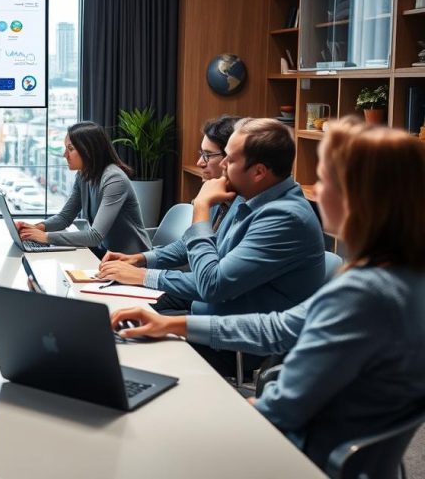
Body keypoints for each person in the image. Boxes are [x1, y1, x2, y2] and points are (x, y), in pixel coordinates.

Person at [111, 118, 425, 471]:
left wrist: (206, 418)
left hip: (296, 458)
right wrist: (175, 325)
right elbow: (280, 327)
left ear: (360, 196)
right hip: (320, 446)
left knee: (145, 435)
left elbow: (278, 412)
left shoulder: (364, 292)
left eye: (325, 180)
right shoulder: (396, 275)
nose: (316, 191)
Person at [99, 118, 324, 375]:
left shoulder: (285, 218)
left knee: (126, 357)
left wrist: (201, 208)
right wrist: (142, 261)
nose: (223, 166)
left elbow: (212, 284)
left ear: (259, 172)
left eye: (230, 159)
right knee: (114, 326)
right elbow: (202, 250)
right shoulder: (251, 195)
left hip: (236, 346)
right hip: (207, 318)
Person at [148, 114, 240, 314]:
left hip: (213, 309)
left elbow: (212, 283)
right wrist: (141, 259)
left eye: (207, 155)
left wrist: (143, 275)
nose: (199, 162)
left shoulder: (250, 209)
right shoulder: (218, 194)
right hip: (200, 298)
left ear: (231, 159)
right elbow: (186, 245)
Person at [16, 121, 150, 254]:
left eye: (70, 149)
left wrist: (45, 237)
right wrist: (35, 228)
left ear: (89, 150)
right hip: (108, 255)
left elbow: (95, 236)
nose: (65, 155)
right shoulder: (83, 175)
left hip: (133, 261)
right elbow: (65, 217)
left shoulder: (114, 180)